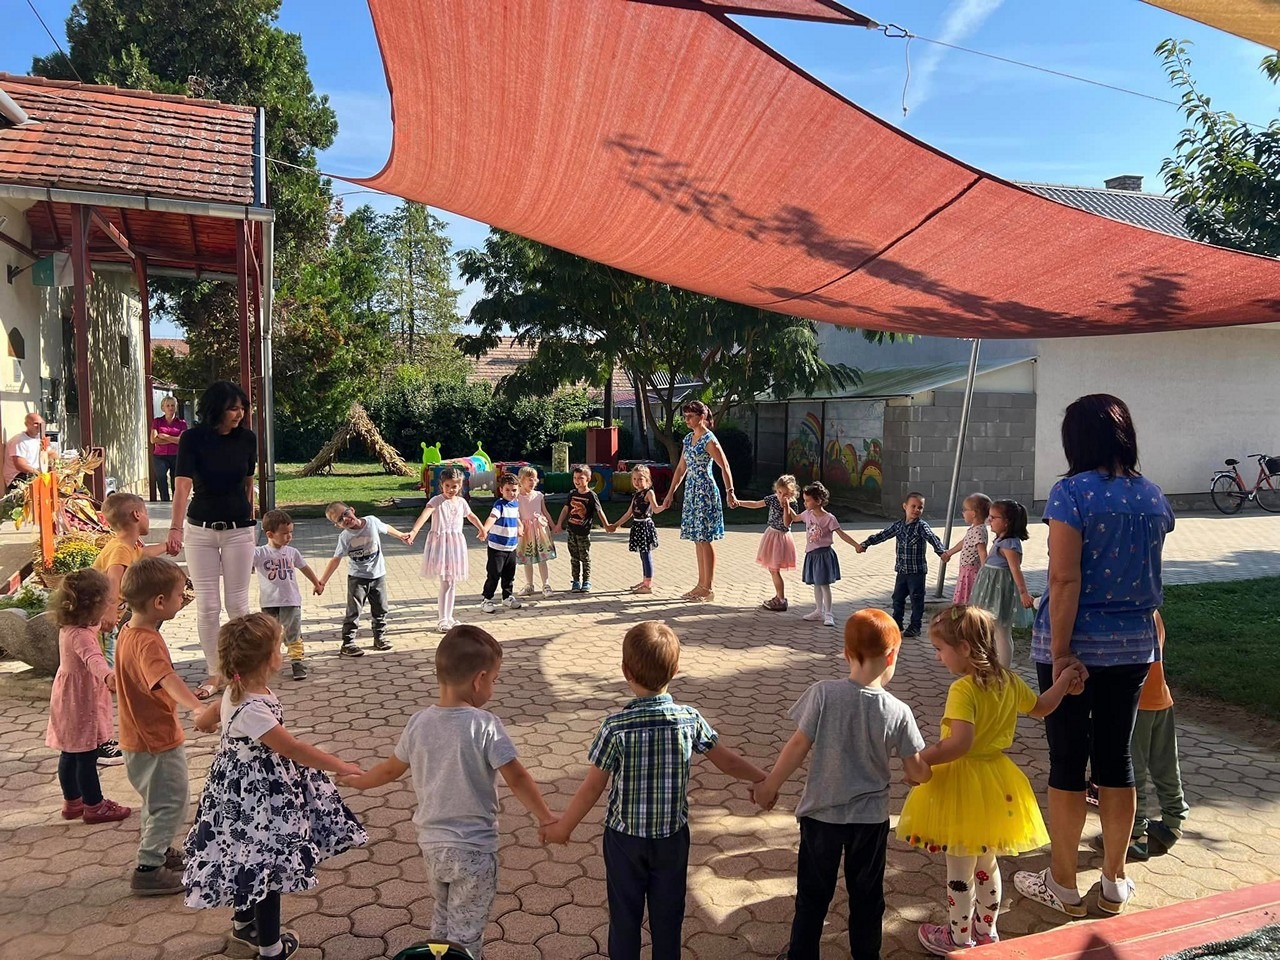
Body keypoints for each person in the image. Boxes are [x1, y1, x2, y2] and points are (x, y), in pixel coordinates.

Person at [1013, 394, 1175, 918]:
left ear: (1077, 440)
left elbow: (1064, 578)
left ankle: (1062, 883)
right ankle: (1114, 879)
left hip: (1075, 645)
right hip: (1134, 645)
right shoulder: (1152, 494)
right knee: (1115, 758)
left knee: (1067, 759)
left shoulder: (1071, 493)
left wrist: (1061, 652)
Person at [540, 621, 767, 960]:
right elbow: (727, 761)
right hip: (671, 838)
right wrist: (763, 779)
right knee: (668, 918)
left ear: (625, 671)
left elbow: (592, 788)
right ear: (675, 671)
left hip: (624, 839)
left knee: (624, 917)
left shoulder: (615, 728)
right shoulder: (689, 720)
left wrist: (563, 827)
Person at [340, 625, 553, 959]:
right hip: (474, 848)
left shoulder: (418, 723)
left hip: (432, 847)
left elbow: (390, 770)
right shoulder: (484, 725)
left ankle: (436, 955)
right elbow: (518, 778)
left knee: (443, 916)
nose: (494, 687)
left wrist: (359, 781)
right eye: (495, 680)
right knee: (467, 931)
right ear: (479, 680)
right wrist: (546, 818)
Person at [896, 606, 1081, 955]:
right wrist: (1063, 682)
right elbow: (1042, 707)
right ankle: (986, 931)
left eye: (940, 649)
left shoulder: (963, 690)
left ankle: (958, 937)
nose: (937, 658)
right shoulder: (1008, 680)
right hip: (997, 783)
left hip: (962, 785)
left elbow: (959, 743)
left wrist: (920, 760)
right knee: (987, 861)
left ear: (965, 648)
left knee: (959, 864)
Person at [184, 614, 367, 960]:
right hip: (260, 798)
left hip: (235, 793)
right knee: (266, 864)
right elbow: (293, 748)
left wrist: (204, 720)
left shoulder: (237, 691)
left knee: (245, 856)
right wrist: (340, 765)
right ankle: (271, 948)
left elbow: (214, 712)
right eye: (279, 648)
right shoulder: (253, 708)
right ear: (270, 659)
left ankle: (243, 925)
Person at [752, 609, 930, 960]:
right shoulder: (899, 711)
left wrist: (770, 784)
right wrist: (922, 775)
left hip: (821, 816)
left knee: (812, 896)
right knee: (867, 897)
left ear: (846, 653)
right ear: (892, 656)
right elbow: (916, 768)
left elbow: (797, 746)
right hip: (870, 821)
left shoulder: (823, 694)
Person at [115, 557, 204, 895]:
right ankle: (149, 868)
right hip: (156, 740)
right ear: (160, 602)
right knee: (173, 801)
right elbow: (166, 678)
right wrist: (197, 706)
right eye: (180, 594)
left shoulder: (128, 631)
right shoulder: (148, 641)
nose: (183, 599)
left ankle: (159, 850)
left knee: (156, 802)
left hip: (136, 738)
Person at [166, 381, 258, 700]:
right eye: (233, 408)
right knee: (208, 605)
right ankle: (214, 672)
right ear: (216, 409)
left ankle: (242, 671)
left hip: (239, 531)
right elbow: (181, 486)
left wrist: (250, 522)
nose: (240, 414)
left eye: (242, 408)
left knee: (237, 604)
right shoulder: (192, 439)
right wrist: (175, 529)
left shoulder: (247, 439)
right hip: (200, 531)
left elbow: (248, 484)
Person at [92, 491, 173, 766]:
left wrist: (167, 546)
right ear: (137, 515)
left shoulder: (127, 546)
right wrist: (109, 611)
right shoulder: (120, 549)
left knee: (111, 678)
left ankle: (102, 738)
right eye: (146, 512)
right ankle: (101, 742)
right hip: (101, 623)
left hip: (105, 621)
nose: (148, 517)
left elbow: (143, 554)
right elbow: (114, 579)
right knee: (107, 681)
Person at [45, 568, 132, 824]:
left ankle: (73, 802)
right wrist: (108, 676)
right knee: (86, 754)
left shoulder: (70, 627)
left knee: (69, 752)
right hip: (81, 701)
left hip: (67, 699)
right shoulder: (81, 636)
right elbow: (93, 658)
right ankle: (95, 805)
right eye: (107, 602)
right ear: (93, 605)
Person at [1124, 610, 1189, 861]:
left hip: (1135, 703)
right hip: (1160, 698)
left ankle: (1135, 835)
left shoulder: (1127, 614)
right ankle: (1173, 823)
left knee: (1132, 769)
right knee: (1166, 765)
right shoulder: (1152, 611)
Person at [659, 401, 737, 601]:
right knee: (697, 538)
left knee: (705, 538)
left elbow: (725, 466)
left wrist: (730, 492)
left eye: (690, 416)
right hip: (691, 493)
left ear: (701, 417)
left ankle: (708, 588)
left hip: (705, 492)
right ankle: (700, 585)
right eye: (685, 416)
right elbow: (681, 469)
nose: (686, 419)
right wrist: (670, 493)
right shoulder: (688, 439)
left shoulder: (709, 440)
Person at [318, 501, 411, 657]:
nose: (345, 519)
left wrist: (401, 535)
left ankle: (379, 637)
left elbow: (386, 528)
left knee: (381, 609)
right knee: (353, 612)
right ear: (338, 525)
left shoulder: (372, 522)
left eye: (346, 513)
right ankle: (348, 643)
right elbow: (335, 560)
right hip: (357, 579)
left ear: (352, 510)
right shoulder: (345, 537)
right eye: (340, 520)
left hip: (378, 576)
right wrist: (322, 582)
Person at [406, 467, 486, 632]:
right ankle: (443, 619)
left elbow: (471, 516)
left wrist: (482, 528)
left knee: (452, 581)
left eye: (454, 486)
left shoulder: (461, 502)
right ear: (441, 485)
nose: (451, 489)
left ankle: (449, 617)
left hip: (455, 545)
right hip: (441, 545)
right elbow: (425, 515)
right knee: (446, 582)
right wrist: (414, 531)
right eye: (447, 486)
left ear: (460, 486)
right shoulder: (436, 500)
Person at [855, 492, 945, 638]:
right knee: (897, 598)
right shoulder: (899, 526)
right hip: (902, 571)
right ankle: (896, 623)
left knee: (916, 599)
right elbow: (883, 535)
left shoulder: (921, 526)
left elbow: (933, 538)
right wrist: (866, 544)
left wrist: (942, 552)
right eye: (913, 506)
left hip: (916, 572)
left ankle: (915, 626)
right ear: (905, 506)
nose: (916, 510)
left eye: (920, 507)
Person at [254, 509, 323, 681]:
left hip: (290, 600)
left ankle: (297, 661)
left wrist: (316, 582)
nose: (289, 537)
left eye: (291, 532)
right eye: (284, 533)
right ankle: (269, 662)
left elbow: (304, 567)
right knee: (270, 634)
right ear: (270, 534)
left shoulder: (292, 552)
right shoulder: (260, 553)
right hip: (269, 602)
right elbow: (243, 556)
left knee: (293, 632)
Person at [968, 499, 1035, 668]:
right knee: (993, 629)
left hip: (998, 592)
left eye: (994, 517)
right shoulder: (1000, 540)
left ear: (1007, 522)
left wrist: (1023, 593)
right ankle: (993, 663)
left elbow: (1015, 569)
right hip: (991, 590)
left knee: (1002, 631)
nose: (989, 520)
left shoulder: (1009, 545)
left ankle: (1003, 669)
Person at [796, 481, 861, 628]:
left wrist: (856, 545)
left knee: (824, 585)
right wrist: (786, 504)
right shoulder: (807, 514)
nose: (805, 503)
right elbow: (794, 518)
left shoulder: (829, 518)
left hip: (824, 555)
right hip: (811, 554)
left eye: (807, 500)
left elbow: (841, 534)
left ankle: (828, 613)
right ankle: (818, 611)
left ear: (818, 501)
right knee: (816, 584)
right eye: (804, 500)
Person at [735, 474, 799, 612]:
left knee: (774, 569)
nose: (781, 496)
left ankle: (781, 599)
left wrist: (786, 507)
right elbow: (756, 504)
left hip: (781, 538)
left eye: (785, 494)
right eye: (779, 492)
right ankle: (778, 596)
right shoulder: (773, 499)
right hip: (771, 534)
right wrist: (739, 502)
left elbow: (787, 523)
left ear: (792, 493)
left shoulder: (792, 503)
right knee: (772, 569)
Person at [607, 464, 665, 594]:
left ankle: (648, 585)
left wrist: (664, 506)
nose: (637, 482)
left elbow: (655, 509)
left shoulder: (649, 493)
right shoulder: (636, 495)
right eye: (634, 479)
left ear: (647, 480)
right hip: (637, 526)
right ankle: (645, 580)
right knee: (642, 555)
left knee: (646, 555)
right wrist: (616, 525)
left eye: (640, 479)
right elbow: (629, 513)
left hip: (645, 527)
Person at [554, 464, 610, 594]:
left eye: (580, 478)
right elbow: (565, 509)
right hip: (571, 530)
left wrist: (606, 525)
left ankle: (586, 581)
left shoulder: (591, 495)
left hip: (583, 532)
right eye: (575, 478)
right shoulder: (572, 494)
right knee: (574, 557)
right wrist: (559, 524)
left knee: (584, 557)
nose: (577, 481)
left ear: (588, 479)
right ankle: (575, 581)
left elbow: (599, 511)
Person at [478, 473, 524, 614]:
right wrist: (485, 529)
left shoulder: (515, 504)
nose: (511, 493)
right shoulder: (499, 505)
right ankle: (487, 599)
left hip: (511, 546)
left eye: (514, 490)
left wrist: (520, 526)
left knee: (509, 574)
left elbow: (516, 518)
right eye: (507, 490)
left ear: (518, 490)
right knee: (494, 574)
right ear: (501, 490)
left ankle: (507, 597)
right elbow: (492, 517)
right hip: (497, 547)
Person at [940, 493, 990, 605]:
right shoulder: (974, 529)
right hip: (965, 570)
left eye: (965, 510)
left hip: (971, 572)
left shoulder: (979, 531)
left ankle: (965, 612)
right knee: (963, 596)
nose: (963, 513)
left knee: (967, 598)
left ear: (973, 513)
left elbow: (982, 552)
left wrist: (985, 572)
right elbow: (964, 542)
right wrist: (949, 553)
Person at [514, 465, 557, 597]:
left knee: (542, 558)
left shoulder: (538, 496)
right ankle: (529, 585)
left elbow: (545, 512)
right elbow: (516, 514)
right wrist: (519, 526)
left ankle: (546, 584)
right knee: (527, 558)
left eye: (534, 479)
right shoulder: (517, 497)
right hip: (525, 532)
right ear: (521, 480)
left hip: (540, 531)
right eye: (529, 479)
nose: (533, 482)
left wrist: (553, 526)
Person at [3, 411, 58, 489]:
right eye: (35, 423)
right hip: (17, 477)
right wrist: (39, 474)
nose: (39, 426)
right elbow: (20, 465)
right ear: (27, 424)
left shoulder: (39, 438)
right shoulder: (19, 441)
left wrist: (56, 463)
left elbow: (50, 453)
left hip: (34, 473)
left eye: (41, 424)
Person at [150, 396, 187, 502]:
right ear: (163, 408)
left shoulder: (182, 423)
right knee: (161, 477)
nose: (170, 408)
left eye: (172, 405)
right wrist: (174, 439)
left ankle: (176, 501)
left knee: (176, 480)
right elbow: (153, 440)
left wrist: (165, 436)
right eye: (168, 406)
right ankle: (164, 500)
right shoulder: (157, 421)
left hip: (176, 455)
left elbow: (182, 440)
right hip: (160, 456)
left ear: (176, 407)